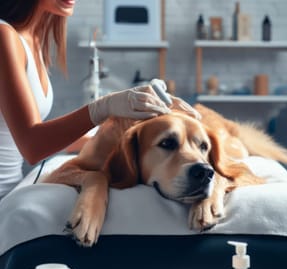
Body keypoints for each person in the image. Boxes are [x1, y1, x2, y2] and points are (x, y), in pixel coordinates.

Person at [0, 0, 199, 200]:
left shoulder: (32, 38)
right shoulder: (4, 35)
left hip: (11, 191)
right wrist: (103, 107)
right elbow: (32, 146)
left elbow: (20, 135)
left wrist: (116, 135)